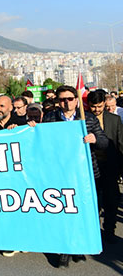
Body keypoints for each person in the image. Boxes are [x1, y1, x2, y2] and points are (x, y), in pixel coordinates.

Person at [41, 85, 109, 268]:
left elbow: (104, 142)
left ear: (76, 100)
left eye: (70, 98)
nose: (66, 102)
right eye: (62, 99)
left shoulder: (88, 118)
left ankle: (79, 246)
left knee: (84, 211)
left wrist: (94, 139)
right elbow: (41, 143)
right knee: (65, 211)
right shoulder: (49, 118)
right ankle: (66, 250)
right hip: (60, 174)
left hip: (85, 173)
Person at [87, 90, 123, 244]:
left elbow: (120, 143)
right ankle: (93, 231)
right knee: (93, 201)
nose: (96, 109)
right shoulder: (83, 119)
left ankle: (109, 230)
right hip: (91, 166)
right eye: (93, 106)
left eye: (99, 106)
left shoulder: (114, 120)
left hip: (110, 166)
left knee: (111, 200)